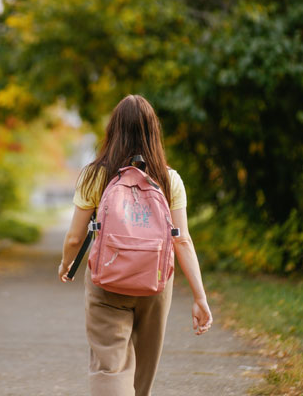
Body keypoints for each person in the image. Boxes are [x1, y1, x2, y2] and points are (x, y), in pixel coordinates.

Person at [58, 94, 213, 396]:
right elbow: (182, 240)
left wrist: (67, 264)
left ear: (113, 130)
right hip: (155, 282)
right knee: (144, 368)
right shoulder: (169, 180)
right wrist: (200, 296)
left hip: (107, 281)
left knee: (109, 366)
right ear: (154, 132)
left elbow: (75, 238)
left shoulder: (95, 175)